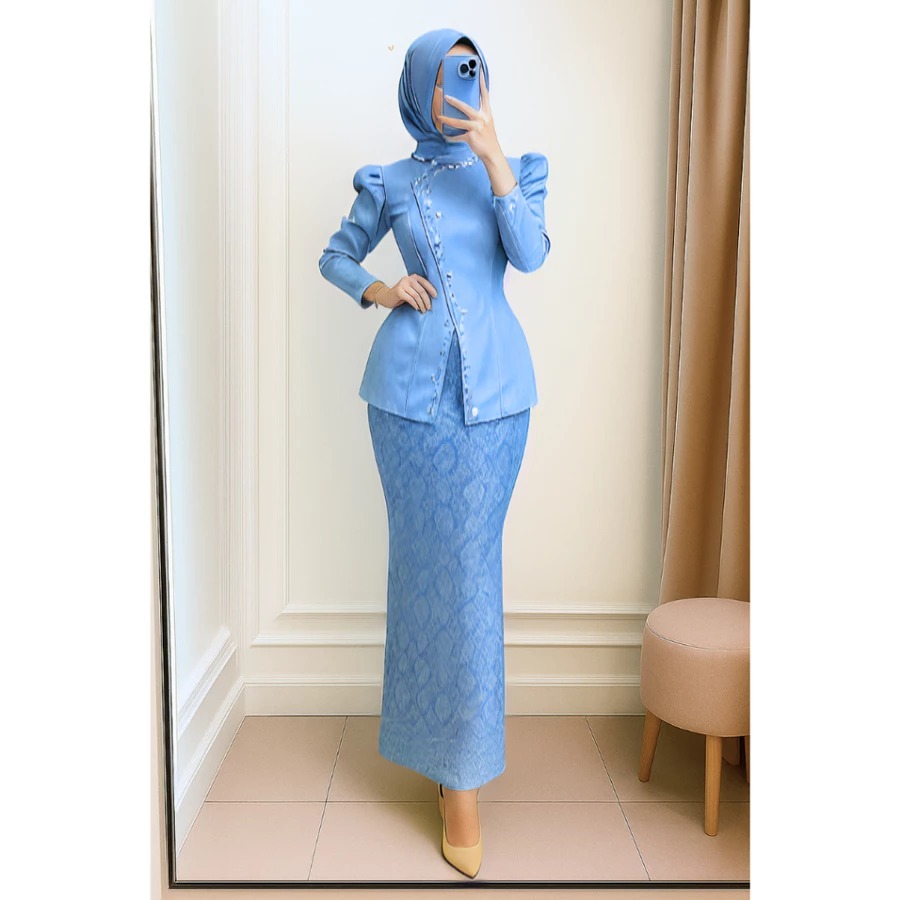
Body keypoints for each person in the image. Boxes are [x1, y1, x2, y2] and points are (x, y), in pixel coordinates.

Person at [318, 27, 550, 878]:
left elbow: (531, 254)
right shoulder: (390, 181)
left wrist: (492, 154)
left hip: (495, 410)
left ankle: (463, 779)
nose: (463, 87)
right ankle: (441, 756)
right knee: (426, 572)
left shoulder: (517, 171)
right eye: (449, 74)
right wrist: (381, 288)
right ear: (421, 87)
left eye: (474, 72)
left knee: (469, 575)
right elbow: (335, 256)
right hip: (407, 411)